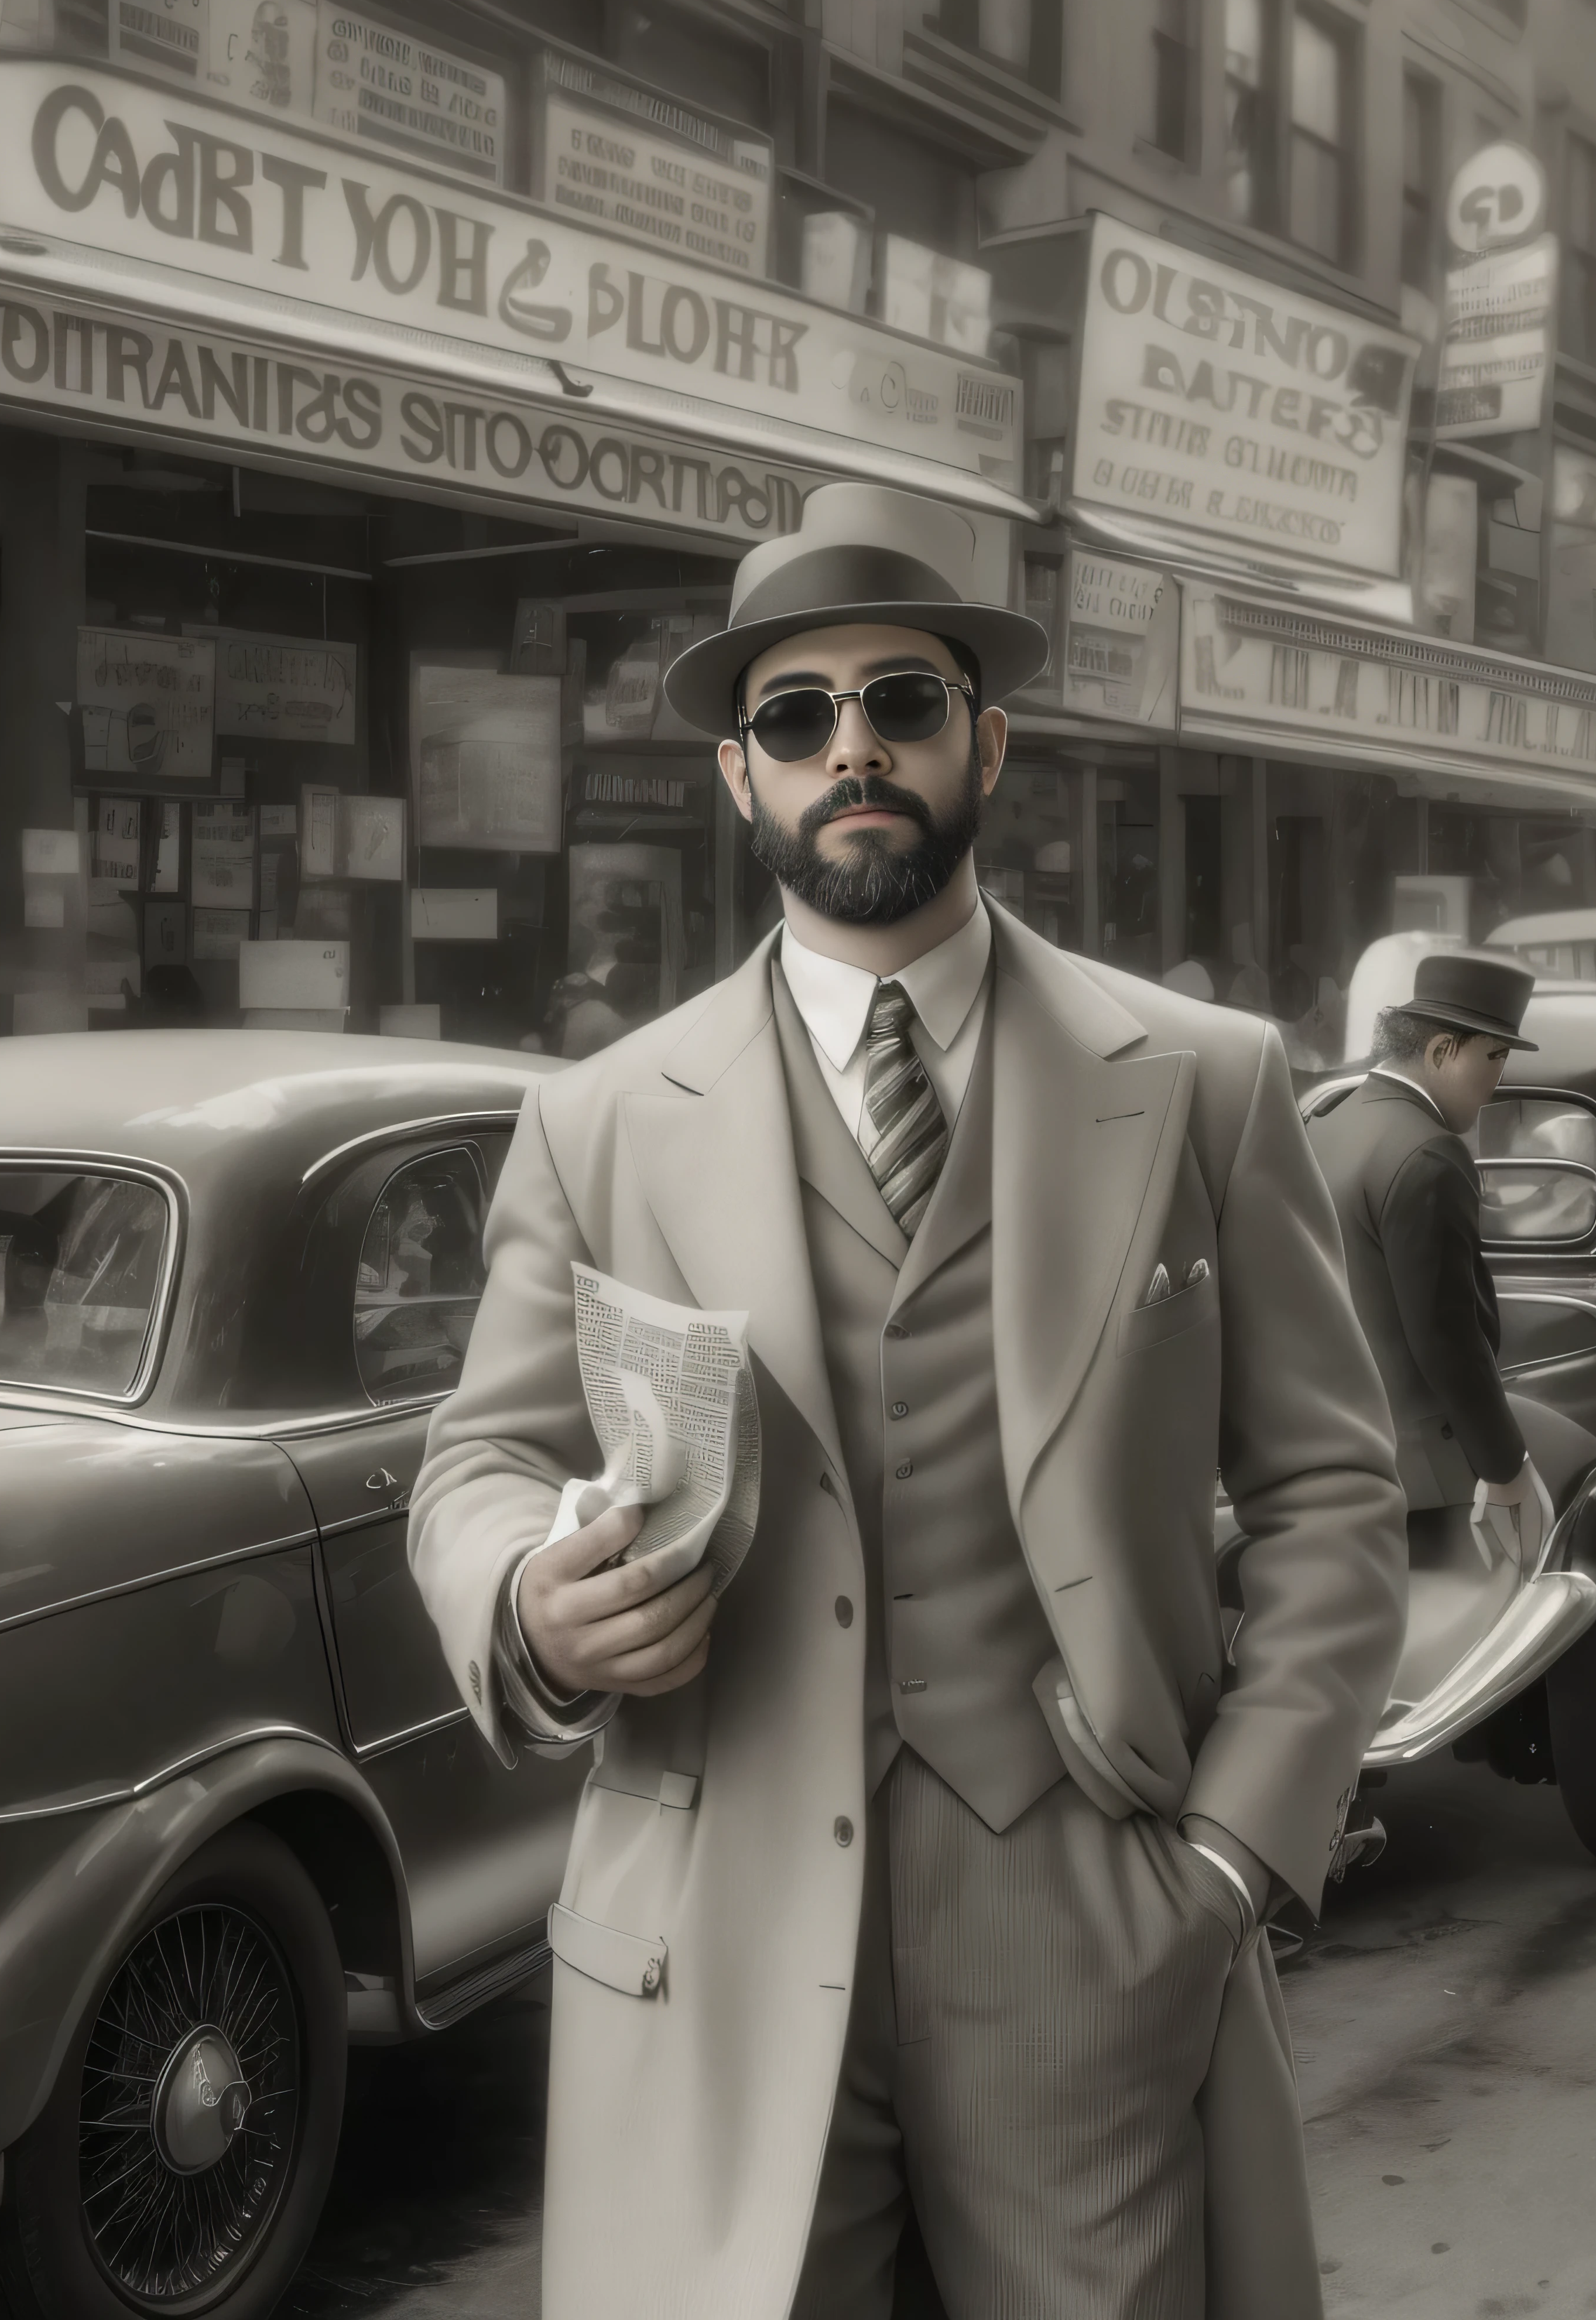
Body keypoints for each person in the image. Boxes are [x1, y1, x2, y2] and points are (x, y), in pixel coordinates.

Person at [408, 481, 1407, 2320]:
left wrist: (1225, 1860)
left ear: (988, 741)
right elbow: (479, 1460)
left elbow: (1336, 1497)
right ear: (742, 781)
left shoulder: (1201, 1081)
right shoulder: (604, 1115)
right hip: (717, 1921)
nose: (850, 746)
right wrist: (528, 1605)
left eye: (902, 702)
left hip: (1091, 1917)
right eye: (796, 717)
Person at [1307, 952, 1563, 1576]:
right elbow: (1446, 1338)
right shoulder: (1428, 1152)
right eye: (1494, 1057)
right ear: (1443, 1050)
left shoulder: (1327, 1124)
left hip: (1332, 1452)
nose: (1498, 1081)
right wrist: (1506, 1470)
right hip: (1424, 1476)